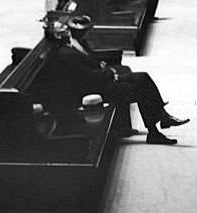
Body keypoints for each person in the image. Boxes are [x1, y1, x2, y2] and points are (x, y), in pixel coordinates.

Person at [46, 18, 188, 145]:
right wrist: (110, 73)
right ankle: (155, 130)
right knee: (139, 89)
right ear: (57, 35)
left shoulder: (74, 44)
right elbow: (86, 78)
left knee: (143, 77)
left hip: (100, 81)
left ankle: (162, 118)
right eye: (62, 28)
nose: (66, 28)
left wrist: (103, 66)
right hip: (95, 89)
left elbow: (90, 62)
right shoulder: (65, 54)